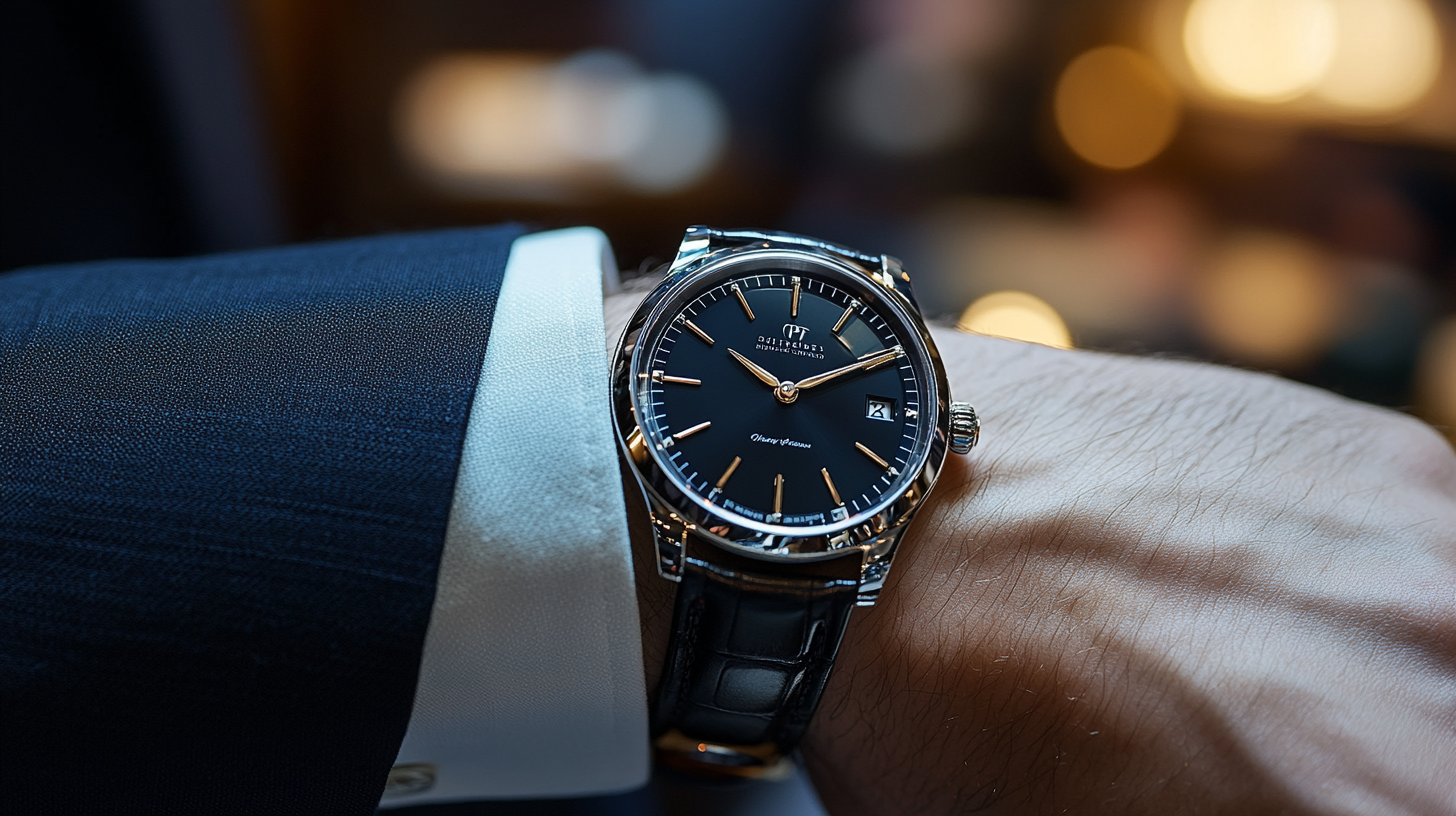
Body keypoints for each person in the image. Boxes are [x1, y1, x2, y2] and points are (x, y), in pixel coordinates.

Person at [4, 227, 1452, 815]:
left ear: (936, 434)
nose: (786, 377)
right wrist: (547, 421)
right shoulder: (685, 386)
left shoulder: (901, 443)